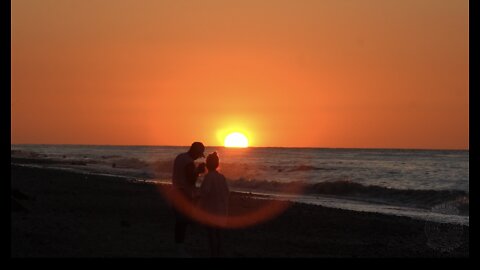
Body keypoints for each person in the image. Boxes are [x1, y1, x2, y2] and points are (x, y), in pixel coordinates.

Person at [171, 142, 206, 255]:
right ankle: (180, 249)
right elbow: (190, 180)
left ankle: (178, 247)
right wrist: (198, 172)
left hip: (175, 192)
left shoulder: (179, 157)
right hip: (184, 194)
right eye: (199, 154)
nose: (198, 157)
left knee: (179, 222)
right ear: (195, 151)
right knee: (183, 223)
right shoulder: (189, 162)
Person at [198, 152, 230, 257]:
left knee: (211, 234)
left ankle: (213, 253)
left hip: (211, 210)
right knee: (219, 234)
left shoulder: (209, 177)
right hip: (222, 209)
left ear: (207, 164)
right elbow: (226, 193)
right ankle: (219, 253)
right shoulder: (222, 177)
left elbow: (205, 192)